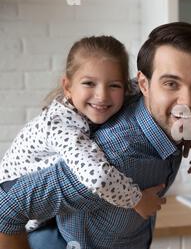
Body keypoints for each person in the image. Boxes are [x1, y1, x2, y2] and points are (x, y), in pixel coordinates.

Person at [0, 22, 191, 249]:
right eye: (171, 84)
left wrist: (188, 133)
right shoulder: (116, 156)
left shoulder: (147, 107)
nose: (188, 102)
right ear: (144, 84)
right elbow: (5, 212)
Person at [0, 36, 176, 228]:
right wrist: (137, 200)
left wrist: (187, 132)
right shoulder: (61, 124)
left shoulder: (125, 91)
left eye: (114, 85)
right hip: (14, 204)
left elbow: (147, 86)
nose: (102, 95)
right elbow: (97, 177)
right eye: (89, 83)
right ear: (68, 87)